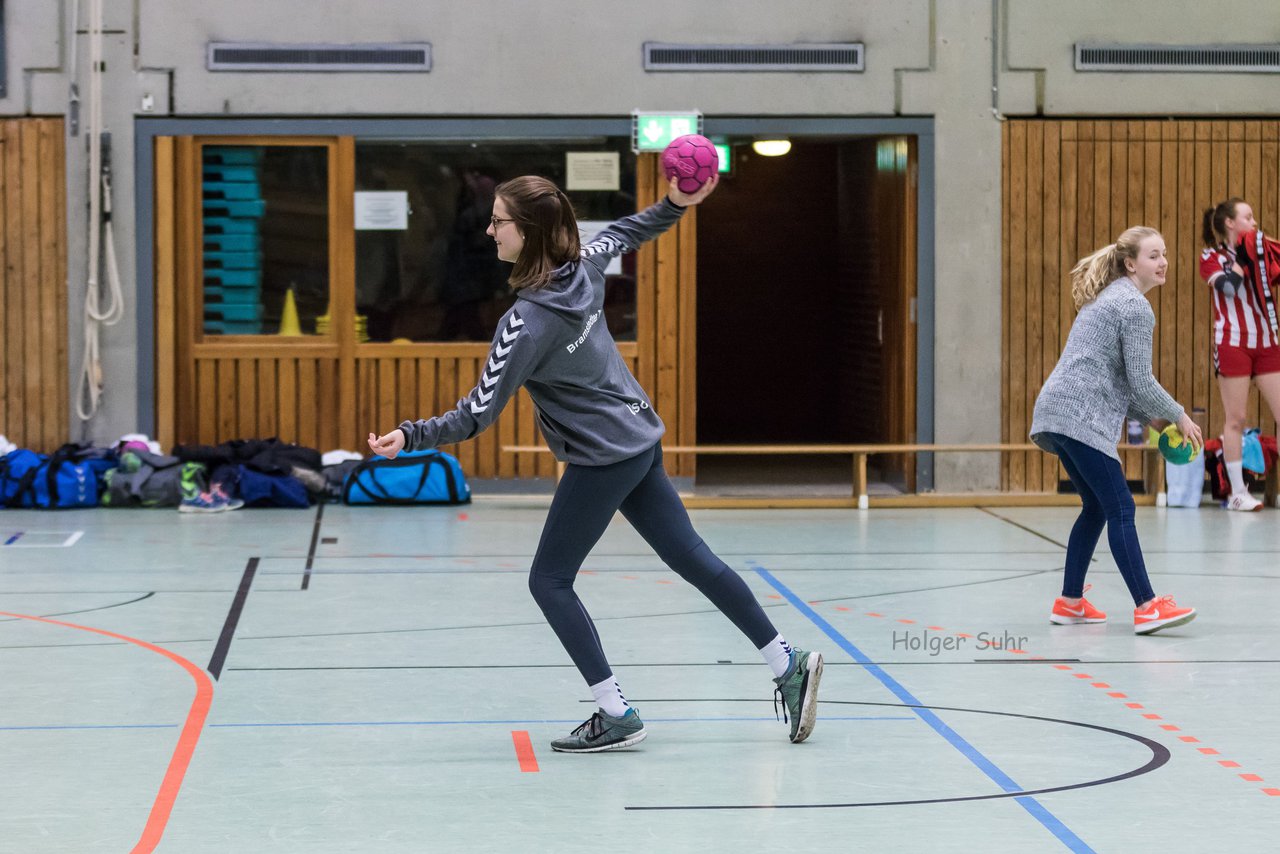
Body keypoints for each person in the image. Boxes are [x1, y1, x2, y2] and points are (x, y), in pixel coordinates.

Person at [368, 174, 823, 752]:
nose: (489, 231)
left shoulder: (525, 324)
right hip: (638, 437)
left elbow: (477, 414)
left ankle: (614, 710)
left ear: (526, 232)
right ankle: (789, 662)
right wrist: (676, 203)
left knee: (549, 580)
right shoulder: (581, 268)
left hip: (603, 458)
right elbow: (629, 232)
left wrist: (410, 436)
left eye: (498, 221)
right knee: (691, 557)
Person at [1031, 226, 1201, 635]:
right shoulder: (1134, 308)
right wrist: (1179, 415)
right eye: (1153, 256)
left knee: (1095, 508)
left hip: (1056, 413)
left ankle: (1070, 602)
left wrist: (1158, 421)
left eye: (1164, 254)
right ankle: (1147, 606)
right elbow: (1141, 382)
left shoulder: (1112, 298)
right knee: (1122, 508)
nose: (1163, 263)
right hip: (1080, 417)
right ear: (1130, 264)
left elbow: (1126, 387)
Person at [1200, 197, 1280, 511]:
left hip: (1267, 341)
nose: (1254, 223)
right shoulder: (1211, 256)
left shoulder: (1260, 252)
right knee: (1236, 418)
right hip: (1232, 342)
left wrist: (1259, 256)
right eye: (1248, 216)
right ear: (1231, 223)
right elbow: (1228, 287)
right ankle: (1237, 492)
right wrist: (1243, 260)